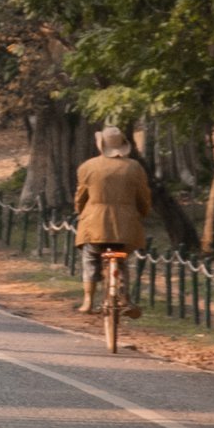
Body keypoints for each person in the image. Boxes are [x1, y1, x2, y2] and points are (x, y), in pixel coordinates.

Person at [73, 126, 152, 316]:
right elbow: (144, 197)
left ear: (101, 145)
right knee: (122, 260)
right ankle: (125, 298)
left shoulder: (88, 167)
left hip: (95, 224)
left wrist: (80, 211)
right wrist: (141, 213)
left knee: (91, 258)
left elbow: (80, 197)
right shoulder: (134, 167)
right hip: (126, 226)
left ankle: (88, 301)